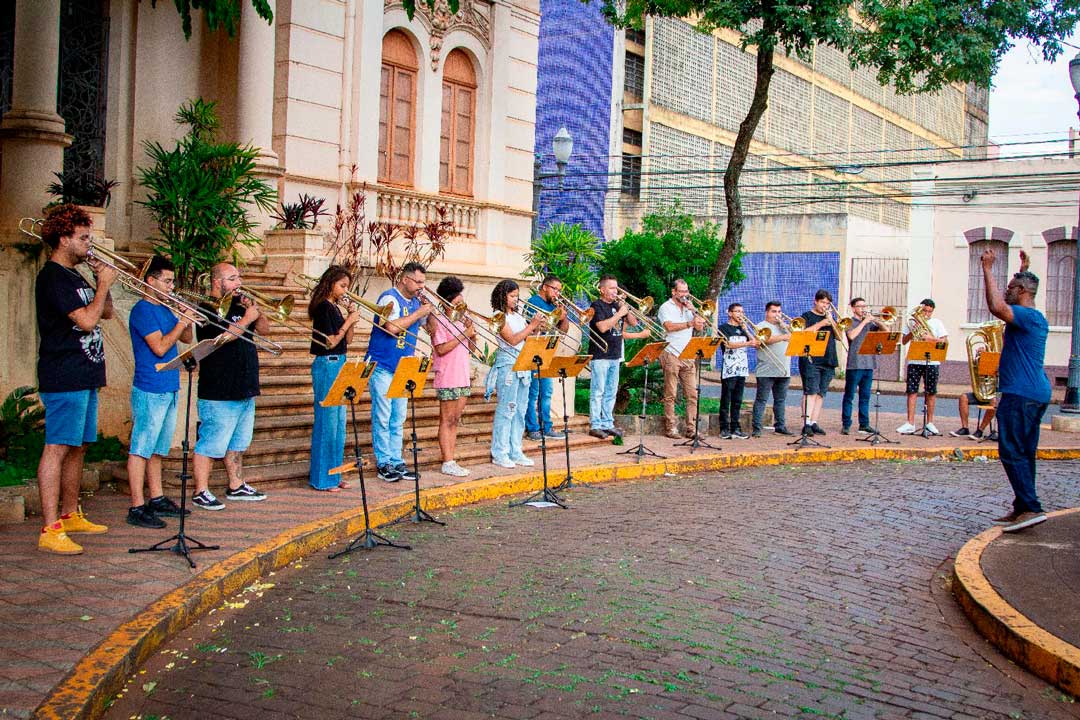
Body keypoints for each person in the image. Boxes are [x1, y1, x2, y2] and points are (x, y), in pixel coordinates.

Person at [33, 204, 114, 554]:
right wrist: (102, 286)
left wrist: (103, 283)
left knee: (79, 447)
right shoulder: (52, 275)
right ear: (63, 239)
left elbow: (106, 312)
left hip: (84, 373)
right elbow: (85, 321)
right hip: (64, 373)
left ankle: (69, 513)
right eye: (83, 238)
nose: (89, 244)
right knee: (57, 447)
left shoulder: (76, 275)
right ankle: (50, 528)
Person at [981, 249, 1051, 533]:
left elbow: (997, 307)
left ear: (1021, 291)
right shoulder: (1032, 316)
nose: (1006, 292)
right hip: (1031, 392)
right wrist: (1024, 268)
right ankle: (1023, 506)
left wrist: (987, 268)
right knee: (1024, 451)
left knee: (1011, 450)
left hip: (1022, 393)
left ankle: (1031, 507)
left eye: (1011, 288)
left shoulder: (1027, 316)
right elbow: (1020, 291)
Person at [191, 263, 269, 510]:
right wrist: (247, 318)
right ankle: (200, 490)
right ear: (217, 282)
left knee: (237, 442)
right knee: (211, 441)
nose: (239, 282)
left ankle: (236, 485)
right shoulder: (207, 308)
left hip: (244, 385)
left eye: (239, 277)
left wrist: (258, 312)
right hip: (219, 388)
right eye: (233, 278)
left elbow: (265, 330)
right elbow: (223, 337)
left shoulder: (238, 306)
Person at [126, 255, 194, 528]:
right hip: (149, 385)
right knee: (141, 447)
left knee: (157, 448)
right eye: (166, 281)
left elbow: (187, 339)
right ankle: (136, 505)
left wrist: (185, 319)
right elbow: (160, 348)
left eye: (172, 282)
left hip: (169, 384)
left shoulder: (166, 309)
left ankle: (156, 497)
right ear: (150, 281)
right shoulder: (142, 310)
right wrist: (180, 323)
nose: (171, 287)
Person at [365, 262, 435, 482]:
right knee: (383, 416)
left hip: (404, 367)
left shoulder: (416, 302)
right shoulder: (389, 298)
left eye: (423, 282)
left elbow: (430, 329)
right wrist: (419, 312)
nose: (421, 287)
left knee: (398, 418)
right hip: (383, 365)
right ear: (405, 279)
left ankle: (396, 460)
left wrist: (430, 311)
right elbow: (392, 328)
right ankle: (383, 462)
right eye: (418, 282)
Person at [307, 266, 361, 491]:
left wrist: (351, 318)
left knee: (339, 424)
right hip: (327, 364)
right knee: (326, 423)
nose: (345, 290)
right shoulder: (322, 308)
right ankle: (322, 479)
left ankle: (334, 474)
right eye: (342, 286)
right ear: (330, 284)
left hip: (339, 361)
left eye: (347, 286)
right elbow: (329, 341)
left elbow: (346, 339)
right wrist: (348, 321)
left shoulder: (335, 308)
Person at [487, 279, 545, 467]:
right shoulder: (498, 315)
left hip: (523, 363)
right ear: (502, 296)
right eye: (512, 296)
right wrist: (531, 326)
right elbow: (512, 339)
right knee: (507, 410)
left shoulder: (518, 316)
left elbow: (526, 339)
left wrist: (537, 329)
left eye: (517, 296)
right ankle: (500, 452)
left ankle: (516, 449)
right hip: (508, 365)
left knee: (520, 410)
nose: (516, 299)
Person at [587, 275, 650, 440]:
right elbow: (602, 327)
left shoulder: (618, 305)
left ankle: (608, 423)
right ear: (602, 290)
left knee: (610, 391)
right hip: (600, 354)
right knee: (598, 391)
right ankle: (595, 424)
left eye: (617, 288)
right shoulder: (596, 306)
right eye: (612, 288)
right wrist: (619, 313)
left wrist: (624, 308)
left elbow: (634, 323)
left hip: (615, 355)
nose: (615, 291)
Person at [427, 276, 476, 477]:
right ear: (446, 302)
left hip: (462, 375)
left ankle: (452, 459)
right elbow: (440, 349)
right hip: (447, 375)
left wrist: (472, 334)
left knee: (455, 419)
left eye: (462, 303)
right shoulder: (438, 320)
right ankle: (447, 461)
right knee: (446, 419)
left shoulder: (462, 322)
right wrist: (464, 334)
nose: (461, 307)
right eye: (457, 304)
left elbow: (471, 349)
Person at [523, 274, 569, 442]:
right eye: (555, 289)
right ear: (544, 287)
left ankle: (546, 427)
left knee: (546, 392)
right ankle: (533, 428)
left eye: (559, 290)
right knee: (533, 393)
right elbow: (532, 327)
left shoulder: (554, 306)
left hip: (548, 352)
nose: (557, 293)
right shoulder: (534, 303)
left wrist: (563, 317)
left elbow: (563, 331)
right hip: (534, 351)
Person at [656, 279, 705, 439]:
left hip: (688, 355)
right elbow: (669, 327)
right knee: (671, 393)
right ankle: (671, 428)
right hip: (671, 353)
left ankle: (691, 428)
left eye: (686, 291)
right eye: (681, 292)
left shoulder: (689, 308)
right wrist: (689, 322)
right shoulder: (666, 307)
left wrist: (695, 312)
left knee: (692, 394)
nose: (684, 295)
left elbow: (700, 327)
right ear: (674, 292)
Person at [896, 299, 948, 436]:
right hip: (915, 360)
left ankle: (930, 423)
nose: (926, 314)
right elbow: (903, 341)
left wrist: (930, 338)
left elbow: (944, 342)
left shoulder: (937, 323)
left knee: (931, 392)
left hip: (932, 362)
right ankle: (910, 423)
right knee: (912, 391)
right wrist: (913, 332)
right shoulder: (912, 323)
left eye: (929, 311)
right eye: (924, 311)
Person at [798, 290, 839, 436]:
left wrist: (832, 322)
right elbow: (802, 334)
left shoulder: (830, 318)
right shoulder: (806, 316)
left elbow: (840, 337)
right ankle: (806, 423)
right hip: (811, 359)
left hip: (828, 358)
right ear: (815, 301)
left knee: (821, 393)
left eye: (828, 303)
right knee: (811, 391)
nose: (825, 306)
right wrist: (822, 323)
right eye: (823, 302)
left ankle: (814, 422)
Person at [840, 298, 883, 436]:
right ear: (853, 308)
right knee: (849, 395)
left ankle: (864, 424)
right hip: (855, 364)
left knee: (865, 396)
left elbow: (886, 330)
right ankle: (846, 424)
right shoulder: (849, 322)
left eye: (865, 306)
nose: (864, 309)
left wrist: (877, 321)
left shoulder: (870, 323)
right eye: (860, 306)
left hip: (869, 363)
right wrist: (865, 321)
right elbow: (851, 336)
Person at [716, 303, 758, 439]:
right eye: (737, 311)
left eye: (742, 311)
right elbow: (728, 344)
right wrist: (747, 343)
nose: (740, 314)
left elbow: (756, 342)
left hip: (742, 368)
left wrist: (747, 331)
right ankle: (724, 428)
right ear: (730, 313)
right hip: (729, 368)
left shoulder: (742, 328)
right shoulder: (723, 328)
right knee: (726, 398)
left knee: (737, 400)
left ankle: (736, 427)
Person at [752, 301, 793, 437]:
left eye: (779, 312)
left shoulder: (785, 327)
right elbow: (762, 340)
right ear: (767, 312)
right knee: (762, 399)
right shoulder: (761, 326)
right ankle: (757, 428)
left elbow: (796, 338)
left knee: (780, 400)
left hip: (784, 369)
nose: (777, 315)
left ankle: (780, 426)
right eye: (774, 311)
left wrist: (785, 328)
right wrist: (783, 336)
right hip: (766, 369)